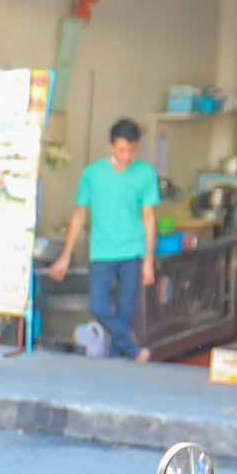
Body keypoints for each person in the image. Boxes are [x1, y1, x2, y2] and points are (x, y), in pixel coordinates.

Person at [45, 118, 164, 358]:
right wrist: (65, 256)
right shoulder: (92, 173)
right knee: (98, 306)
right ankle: (134, 350)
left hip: (132, 251)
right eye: (121, 149)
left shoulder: (145, 173)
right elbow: (79, 214)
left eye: (131, 150)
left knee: (124, 312)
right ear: (111, 146)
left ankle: (117, 365)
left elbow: (149, 216)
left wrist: (149, 259)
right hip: (101, 251)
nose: (126, 155)